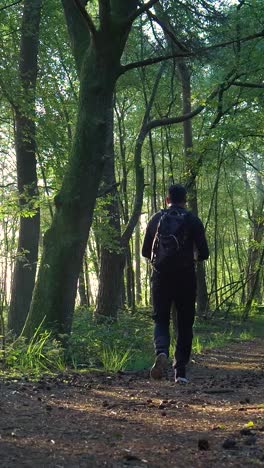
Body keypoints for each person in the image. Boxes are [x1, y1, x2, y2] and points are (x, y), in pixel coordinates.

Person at [142, 184, 209, 383]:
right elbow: (204, 253)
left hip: (161, 276)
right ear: (185, 200)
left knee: (161, 319)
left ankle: (161, 351)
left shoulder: (156, 218)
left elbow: (145, 252)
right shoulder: (192, 220)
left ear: (167, 199)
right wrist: (192, 257)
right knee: (185, 323)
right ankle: (180, 372)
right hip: (186, 278)